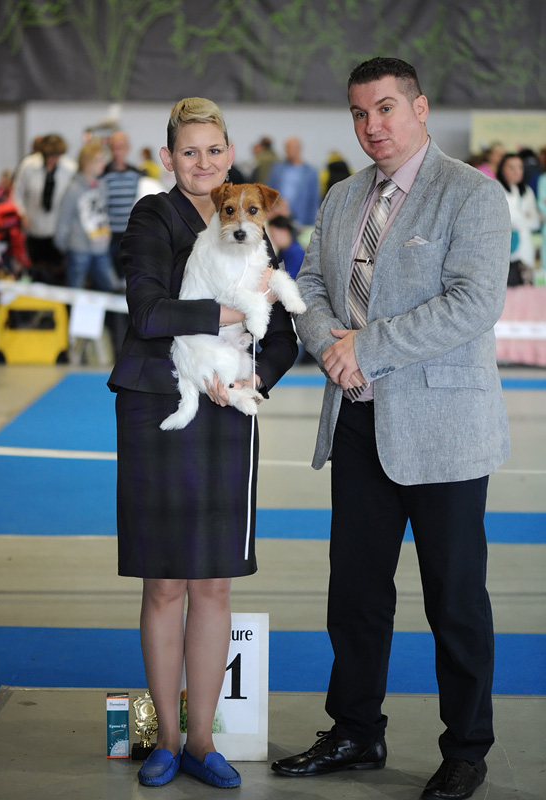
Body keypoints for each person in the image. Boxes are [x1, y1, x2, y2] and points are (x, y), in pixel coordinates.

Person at [271, 57, 511, 800]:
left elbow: (473, 302)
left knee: (455, 600)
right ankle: (354, 729)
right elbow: (307, 286)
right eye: (357, 113)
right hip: (356, 424)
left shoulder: (472, 194)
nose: (371, 126)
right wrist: (327, 345)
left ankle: (466, 748)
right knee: (356, 595)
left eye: (384, 109)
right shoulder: (342, 197)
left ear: (419, 108)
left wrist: (363, 347)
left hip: (443, 430)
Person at [107, 97, 297, 789]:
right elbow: (150, 311)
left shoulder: (251, 219)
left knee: (212, 583)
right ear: (168, 158)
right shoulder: (151, 216)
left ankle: (201, 741)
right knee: (165, 584)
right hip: (161, 399)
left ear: (228, 155)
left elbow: (279, 333)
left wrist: (252, 375)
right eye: (189, 151)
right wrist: (232, 312)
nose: (203, 161)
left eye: (213, 150)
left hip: (228, 409)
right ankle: (161, 735)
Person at [12, 133, 76, 284]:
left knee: (56, 272)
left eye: (56, 156)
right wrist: (22, 214)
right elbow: (17, 192)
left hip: (57, 230)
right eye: (48, 156)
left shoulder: (70, 168)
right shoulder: (28, 165)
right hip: (33, 227)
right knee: (35, 270)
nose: (51, 160)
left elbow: (72, 200)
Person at [54, 140, 118, 292]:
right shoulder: (73, 189)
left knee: (111, 288)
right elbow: (63, 221)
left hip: (101, 248)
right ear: (87, 163)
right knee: (76, 291)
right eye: (98, 160)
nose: (103, 164)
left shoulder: (102, 186)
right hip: (78, 249)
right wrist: (65, 246)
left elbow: (104, 214)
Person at [102, 131, 142, 280]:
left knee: (129, 275)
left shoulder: (136, 174)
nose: (117, 151)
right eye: (113, 147)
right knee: (110, 276)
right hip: (108, 235)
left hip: (129, 234)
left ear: (128, 148)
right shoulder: (103, 174)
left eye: (120, 147)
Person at [496, 152, 540, 283]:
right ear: (502, 169)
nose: (517, 171)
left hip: (525, 252)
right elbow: (503, 219)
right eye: (511, 167)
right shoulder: (495, 188)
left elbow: (535, 222)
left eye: (520, 167)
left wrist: (516, 218)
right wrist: (523, 217)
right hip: (504, 253)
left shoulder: (527, 191)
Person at [267, 137, 320, 226]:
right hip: (278, 217)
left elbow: (314, 199)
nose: (288, 151)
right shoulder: (277, 169)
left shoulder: (310, 172)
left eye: (291, 148)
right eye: (286, 148)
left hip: (300, 218)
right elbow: (269, 192)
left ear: (299, 149)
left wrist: (311, 223)